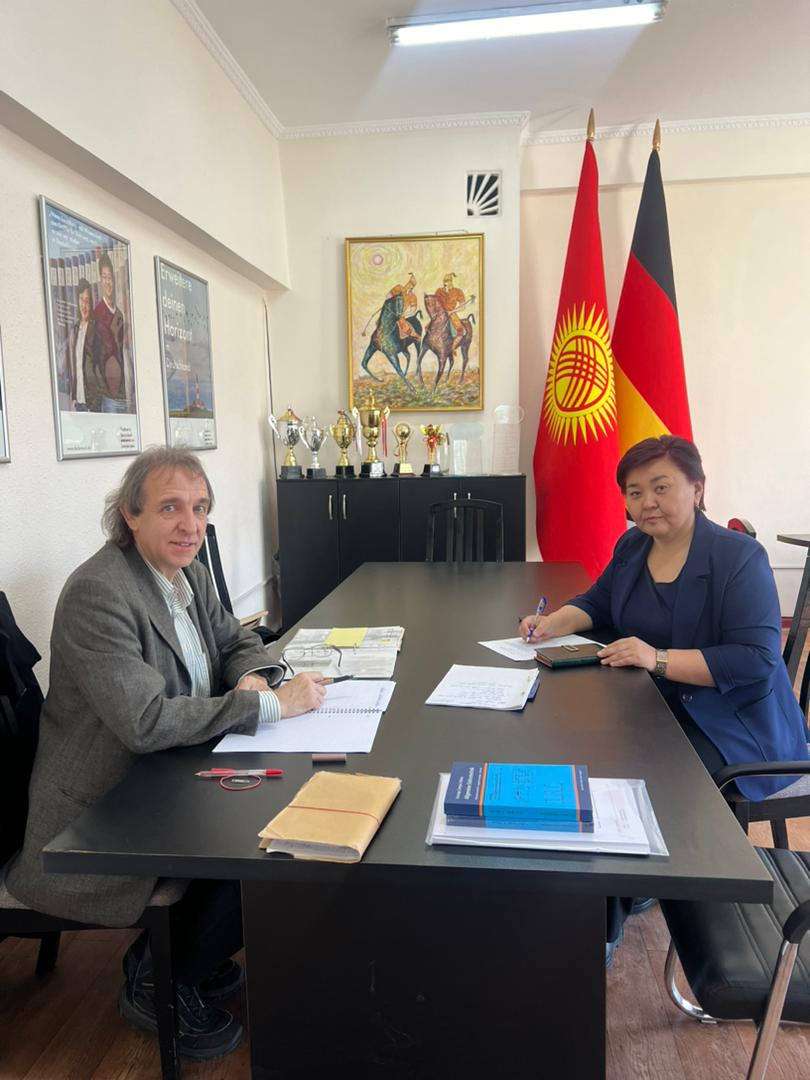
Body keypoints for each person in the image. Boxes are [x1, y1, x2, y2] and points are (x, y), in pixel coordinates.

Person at [5, 446, 326, 1059]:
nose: (190, 525)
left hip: (169, 773)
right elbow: (145, 721)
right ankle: (161, 978)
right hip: (104, 808)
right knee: (265, 842)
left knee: (282, 814)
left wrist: (253, 676)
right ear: (130, 514)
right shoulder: (99, 592)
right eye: (171, 508)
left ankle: (184, 950)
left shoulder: (187, 574)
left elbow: (236, 640)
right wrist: (264, 707)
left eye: (200, 508)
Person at [520, 435, 809, 959]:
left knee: (624, 786)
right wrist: (550, 623)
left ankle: (603, 927)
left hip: (729, 721)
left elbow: (754, 659)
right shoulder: (633, 547)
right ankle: (601, 888)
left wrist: (655, 658)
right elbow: (597, 602)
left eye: (660, 487)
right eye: (634, 492)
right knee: (570, 751)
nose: (646, 502)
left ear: (696, 488)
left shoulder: (737, 557)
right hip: (649, 703)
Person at [94, 252, 128, 413]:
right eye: (104, 277)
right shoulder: (97, 313)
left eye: (110, 277)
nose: (107, 282)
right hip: (107, 393)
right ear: (100, 280)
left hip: (121, 390)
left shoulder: (119, 314)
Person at [66, 277, 104, 412]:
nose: (84, 305)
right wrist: (74, 396)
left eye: (87, 300)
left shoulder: (97, 328)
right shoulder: (75, 329)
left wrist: (98, 395)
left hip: (93, 401)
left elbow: (101, 364)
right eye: (81, 299)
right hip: (79, 401)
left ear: (91, 303)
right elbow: (75, 365)